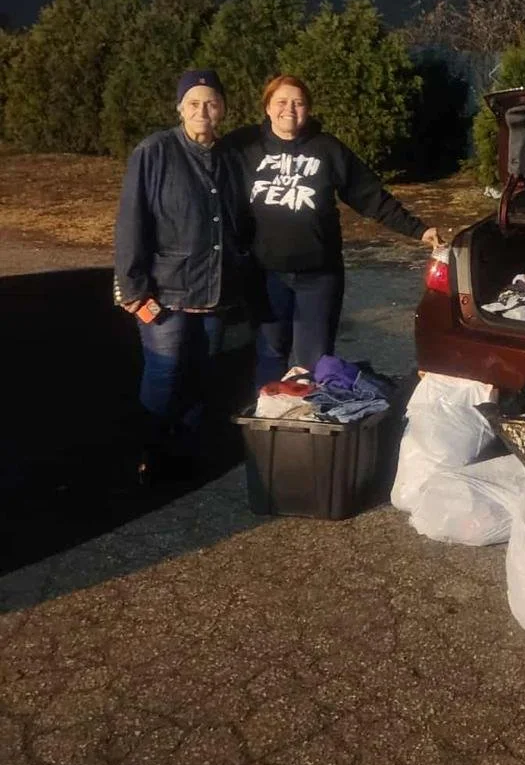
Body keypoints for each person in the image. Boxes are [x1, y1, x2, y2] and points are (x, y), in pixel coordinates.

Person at [229, 75, 442, 383]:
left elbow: (368, 196)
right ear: (267, 107)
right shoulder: (244, 146)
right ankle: (267, 426)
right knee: (268, 356)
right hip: (265, 276)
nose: (289, 109)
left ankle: (308, 427)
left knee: (314, 365)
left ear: (309, 109)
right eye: (281, 102)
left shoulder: (327, 149)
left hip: (318, 277)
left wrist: (418, 230)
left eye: (298, 103)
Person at [114, 69, 250, 472]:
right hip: (164, 292)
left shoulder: (230, 157)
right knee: (164, 371)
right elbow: (131, 221)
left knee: (202, 373)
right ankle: (150, 452)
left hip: (215, 291)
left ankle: (188, 450)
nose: (202, 111)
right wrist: (133, 289)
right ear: (179, 108)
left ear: (222, 108)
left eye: (210, 102)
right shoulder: (154, 151)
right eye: (193, 103)